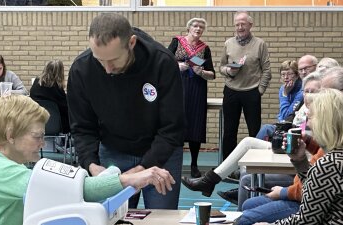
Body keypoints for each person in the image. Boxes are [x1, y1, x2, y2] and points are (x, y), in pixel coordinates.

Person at [0, 95, 176, 225]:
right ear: (10, 134)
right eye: (37, 136)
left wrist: (120, 176)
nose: (43, 144)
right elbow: (80, 191)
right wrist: (133, 179)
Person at [67, 13, 184, 209]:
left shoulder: (162, 62)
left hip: (161, 154)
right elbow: (82, 127)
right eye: (99, 60)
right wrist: (92, 166)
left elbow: (172, 128)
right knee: (108, 217)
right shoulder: (82, 69)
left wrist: (140, 171)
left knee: (162, 218)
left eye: (113, 59)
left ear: (131, 43)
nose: (107, 69)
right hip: (113, 152)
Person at [182, 71, 323, 204]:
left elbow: (313, 143)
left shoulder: (322, 112)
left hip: (304, 156)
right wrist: (285, 96)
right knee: (249, 142)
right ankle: (213, 180)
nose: (309, 95)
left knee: (250, 152)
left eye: (314, 92)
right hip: (294, 149)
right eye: (306, 91)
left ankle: (215, 181)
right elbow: (285, 117)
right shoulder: (303, 107)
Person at [254, 88, 343, 225]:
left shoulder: (329, 165)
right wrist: (300, 161)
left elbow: (307, 219)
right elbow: (317, 190)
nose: (308, 124)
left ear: (324, 123)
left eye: (311, 118)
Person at [219, 11, 271, 161]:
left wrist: (259, 90)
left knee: (254, 131)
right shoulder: (228, 43)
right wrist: (229, 70)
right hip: (231, 91)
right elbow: (221, 67)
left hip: (252, 92)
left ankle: (255, 166)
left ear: (250, 25)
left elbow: (267, 70)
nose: (240, 27)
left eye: (243, 24)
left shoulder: (260, 44)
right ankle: (227, 166)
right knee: (229, 131)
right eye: (237, 24)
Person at [168, 17, 215, 178]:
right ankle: (175, 163)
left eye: (201, 27)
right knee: (177, 125)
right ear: (188, 28)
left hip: (197, 89)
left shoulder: (205, 48)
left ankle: (194, 164)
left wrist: (201, 72)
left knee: (195, 126)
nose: (198, 29)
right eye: (195, 26)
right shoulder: (177, 42)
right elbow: (164, 62)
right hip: (178, 88)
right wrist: (177, 66)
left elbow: (212, 74)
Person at [256, 60, 303, 141]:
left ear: (297, 75)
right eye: (283, 74)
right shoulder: (283, 88)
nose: (286, 77)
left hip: (294, 126)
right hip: (282, 124)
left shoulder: (301, 91)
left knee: (266, 129)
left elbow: (286, 117)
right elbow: (282, 116)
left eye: (289, 74)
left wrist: (285, 95)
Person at [30, 59, 69, 133]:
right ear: (60, 73)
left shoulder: (36, 83)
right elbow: (65, 107)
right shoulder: (57, 89)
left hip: (36, 123)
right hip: (56, 125)